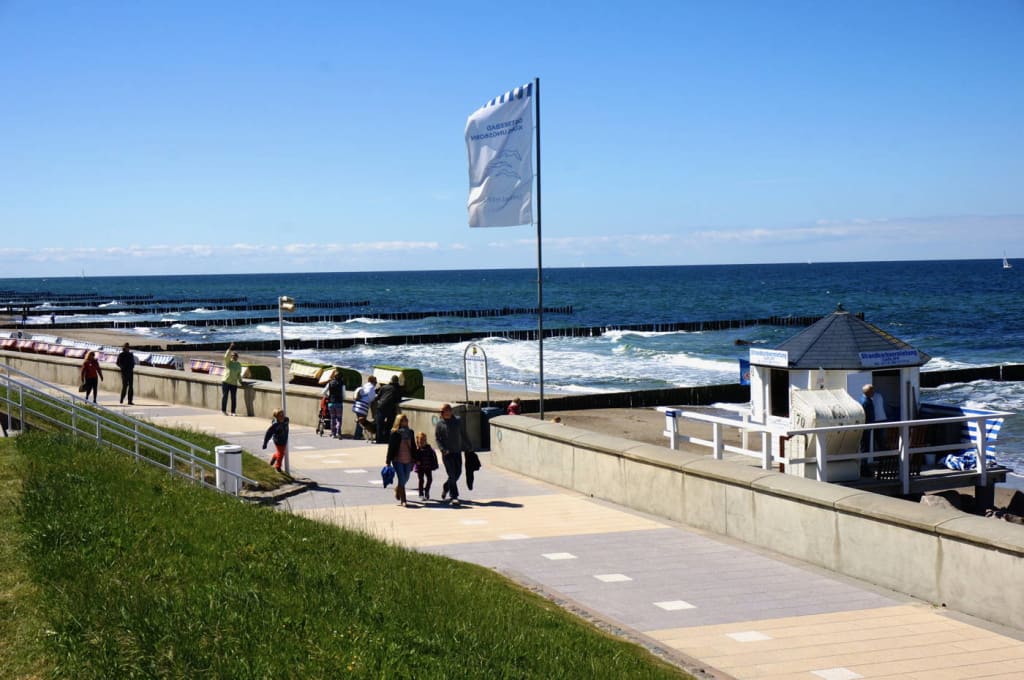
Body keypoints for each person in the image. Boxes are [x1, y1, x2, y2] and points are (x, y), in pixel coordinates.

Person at [434, 403, 474, 507]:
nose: (442, 413)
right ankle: (454, 496)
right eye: (441, 411)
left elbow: (463, 434)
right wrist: (443, 449)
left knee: (458, 473)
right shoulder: (439, 424)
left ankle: (446, 486)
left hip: (457, 451)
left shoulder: (457, 421)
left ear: (450, 411)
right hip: (447, 454)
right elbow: (437, 439)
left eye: (445, 411)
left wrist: (469, 446)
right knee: (452, 475)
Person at [385, 413, 416, 506]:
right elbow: (391, 448)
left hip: (408, 459)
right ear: (399, 422)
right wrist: (388, 461)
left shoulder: (410, 432)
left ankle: (398, 488)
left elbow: (413, 445)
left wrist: (415, 458)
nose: (405, 421)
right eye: (403, 420)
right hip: (397, 459)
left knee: (406, 478)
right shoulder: (395, 433)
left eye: (406, 420)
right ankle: (404, 500)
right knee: (402, 478)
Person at [860, 383, 888, 453]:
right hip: (873, 422)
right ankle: (880, 456)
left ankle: (875, 456)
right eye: (872, 391)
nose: (873, 392)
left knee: (868, 443)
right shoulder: (869, 401)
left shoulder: (862, 399)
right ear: (868, 392)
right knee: (879, 442)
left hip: (871, 422)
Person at [374, 375, 402, 444]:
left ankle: (378, 439)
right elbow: (398, 399)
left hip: (381, 406)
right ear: (397, 381)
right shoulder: (397, 389)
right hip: (390, 408)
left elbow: (378, 396)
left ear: (391, 380)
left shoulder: (384, 387)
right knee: (389, 424)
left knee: (379, 424)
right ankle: (386, 438)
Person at [413, 431, 439, 500]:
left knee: (430, 479)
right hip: (420, 468)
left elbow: (433, 457)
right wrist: (416, 461)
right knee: (421, 480)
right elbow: (414, 457)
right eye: (421, 440)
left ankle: (427, 491)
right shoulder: (417, 449)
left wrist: (433, 465)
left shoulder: (429, 448)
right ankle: (421, 494)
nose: (422, 442)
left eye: (424, 440)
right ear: (418, 441)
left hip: (428, 467)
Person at [352, 375, 377, 441]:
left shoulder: (365, 385)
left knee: (359, 421)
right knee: (362, 422)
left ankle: (357, 435)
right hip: (363, 407)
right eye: (375, 382)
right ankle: (357, 435)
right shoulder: (371, 388)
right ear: (373, 381)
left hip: (357, 405)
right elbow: (372, 398)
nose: (376, 383)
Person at [322, 369, 345, 438]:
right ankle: (338, 433)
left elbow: (323, 392)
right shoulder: (342, 384)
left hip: (331, 403)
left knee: (332, 418)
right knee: (339, 419)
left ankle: (333, 433)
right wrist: (342, 398)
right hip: (339, 403)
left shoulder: (330, 383)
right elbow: (344, 395)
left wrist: (328, 396)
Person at [221, 342, 243, 416]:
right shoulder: (228, 362)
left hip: (234, 383)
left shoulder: (238, 364)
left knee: (233, 398)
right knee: (225, 396)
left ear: (237, 357)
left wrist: (241, 381)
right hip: (226, 382)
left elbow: (239, 375)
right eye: (233, 355)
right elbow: (226, 356)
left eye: (235, 356)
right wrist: (230, 347)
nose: (234, 357)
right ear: (231, 356)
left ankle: (233, 412)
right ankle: (223, 410)